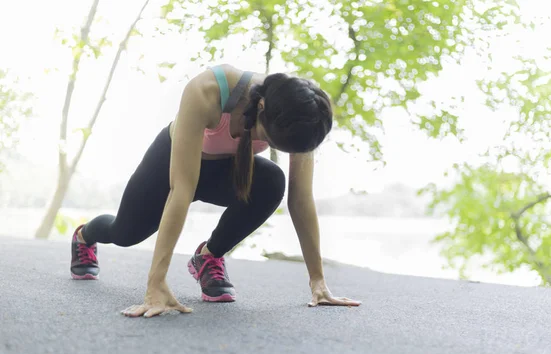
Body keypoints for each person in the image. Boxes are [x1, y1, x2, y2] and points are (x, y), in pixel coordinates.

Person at [69, 64, 362, 318]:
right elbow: (181, 188)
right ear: (261, 109)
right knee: (125, 234)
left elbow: (300, 199)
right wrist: (155, 286)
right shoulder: (209, 90)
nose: (271, 147)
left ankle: (208, 257)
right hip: (171, 165)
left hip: (226, 172)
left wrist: (318, 282)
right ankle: (84, 236)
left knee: (272, 181)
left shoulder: (304, 115)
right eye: (270, 141)